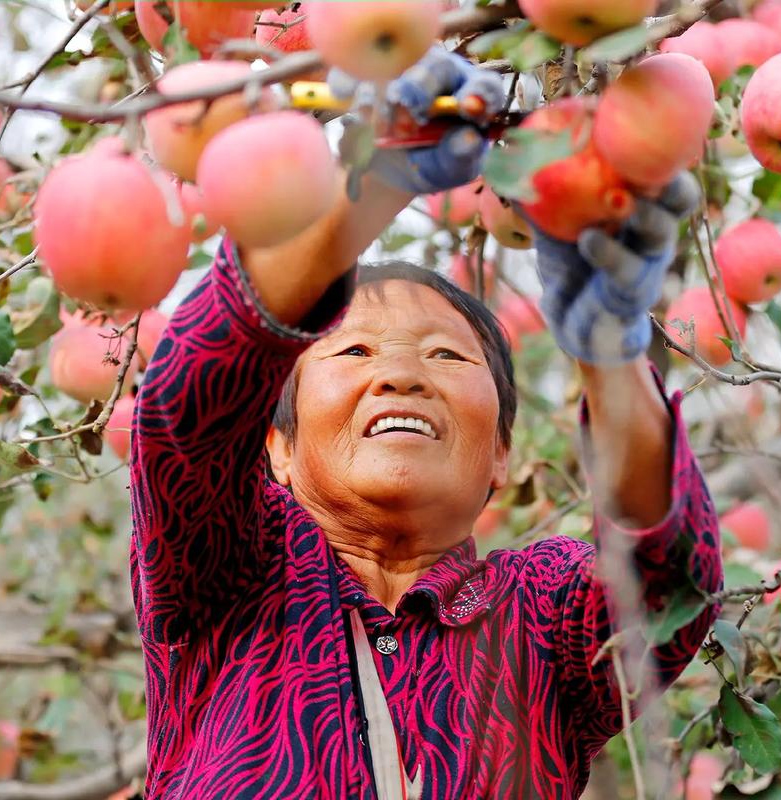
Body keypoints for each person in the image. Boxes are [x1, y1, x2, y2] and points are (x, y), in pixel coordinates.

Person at [129, 50, 723, 800]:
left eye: (446, 354)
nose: (402, 375)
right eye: (353, 350)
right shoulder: (229, 580)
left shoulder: (539, 615)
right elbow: (189, 413)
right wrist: (378, 177)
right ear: (275, 447)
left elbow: (667, 581)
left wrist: (611, 351)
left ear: (501, 454)